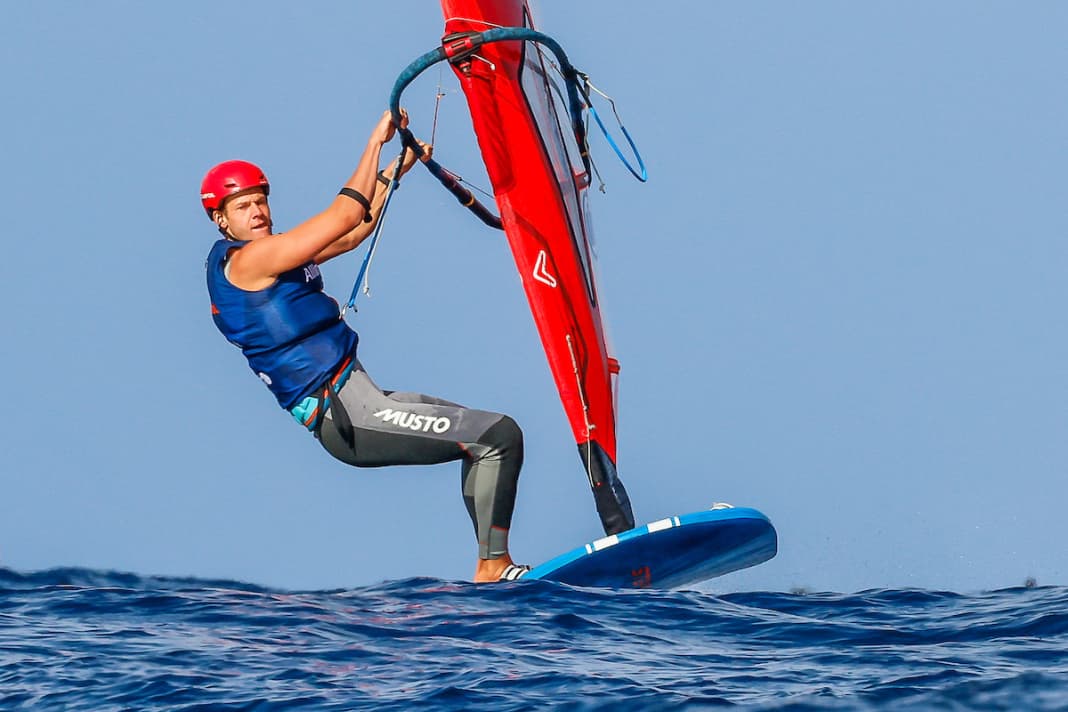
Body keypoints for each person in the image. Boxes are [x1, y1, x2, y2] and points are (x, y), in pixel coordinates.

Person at [202, 110, 528, 582]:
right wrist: (376, 141)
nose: (257, 213)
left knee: (487, 439)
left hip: (363, 402)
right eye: (242, 207)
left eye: (260, 202)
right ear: (221, 220)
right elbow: (345, 213)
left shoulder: (277, 255)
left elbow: (353, 232)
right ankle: (493, 566)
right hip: (349, 416)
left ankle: (491, 567)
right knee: (498, 436)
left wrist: (397, 169)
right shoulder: (252, 261)